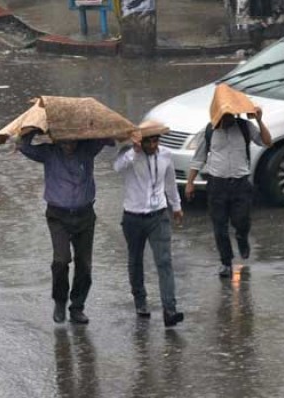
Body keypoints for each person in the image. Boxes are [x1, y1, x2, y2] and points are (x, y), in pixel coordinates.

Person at [18, 130, 114, 324]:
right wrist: (33, 129)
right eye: (64, 141)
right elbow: (23, 147)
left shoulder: (88, 149)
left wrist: (91, 126)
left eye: (73, 140)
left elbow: (108, 138)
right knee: (61, 260)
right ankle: (60, 301)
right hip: (58, 216)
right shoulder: (48, 152)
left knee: (84, 265)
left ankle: (77, 306)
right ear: (56, 139)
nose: (69, 144)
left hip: (85, 215)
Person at [113, 120, 185, 327]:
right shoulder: (128, 154)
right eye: (149, 141)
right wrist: (134, 152)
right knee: (135, 259)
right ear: (141, 141)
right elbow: (117, 168)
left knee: (164, 261)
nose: (153, 145)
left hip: (158, 215)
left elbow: (170, 182)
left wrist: (176, 206)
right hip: (133, 216)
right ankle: (140, 300)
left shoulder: (165, 155)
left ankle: (169, 309)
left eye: (156, 140)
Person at [184, 109, 271, 278]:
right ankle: (226, 262)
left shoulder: (246, 127)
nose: (228, 118)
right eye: (224, 114)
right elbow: (198, 159)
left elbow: (267, 142)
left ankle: (242, 238)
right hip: (217, 185)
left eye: (231, 114)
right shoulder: (209, 131)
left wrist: (260, 121)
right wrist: (190, 183)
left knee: (242, 220)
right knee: (219, 227)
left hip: (240, 184)